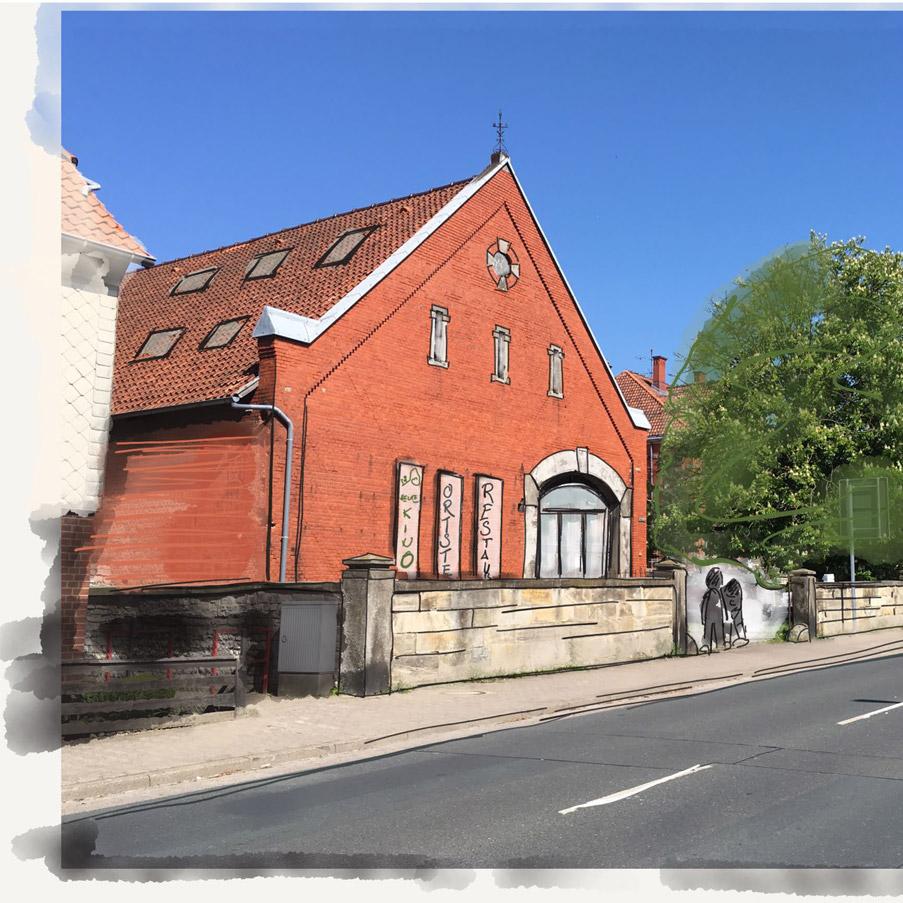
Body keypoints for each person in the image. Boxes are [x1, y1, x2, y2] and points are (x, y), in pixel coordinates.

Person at [700, 567, 727, 653]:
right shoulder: (711, 593)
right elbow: (704, 606)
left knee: (714, 634)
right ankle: (710, 645)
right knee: (711, 634)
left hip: (714, 618)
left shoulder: (711, 593)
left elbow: (703, 606)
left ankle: (715, 644)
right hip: (711, 618)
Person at [723, 578, 748, 646]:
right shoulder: (722, 592)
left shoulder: (738, 595)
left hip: (734, 615)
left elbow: (738, 608)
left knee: (737, 625)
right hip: (725, 617)